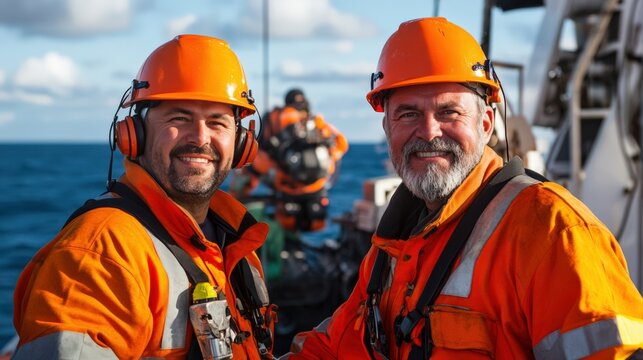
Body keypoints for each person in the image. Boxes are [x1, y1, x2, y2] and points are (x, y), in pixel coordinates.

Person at [283, 17, 643, 359]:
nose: (428, 132)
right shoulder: (390, 249)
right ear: (387, 129)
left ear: (486, 124)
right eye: (407, 114)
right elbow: (335, 348)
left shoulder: (553, 232)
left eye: (449, 113)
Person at [12, 35, 276, 359]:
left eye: (217, 122)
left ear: (241, 143)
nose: (200, 138)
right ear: (134, 134)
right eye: (179, 118)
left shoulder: (237, 248)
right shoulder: (103, 251)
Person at [230, 88, 348, 233]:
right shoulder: (317, 122)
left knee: (283, 226)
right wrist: (330, 161)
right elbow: (342, 144)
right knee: (314, 224)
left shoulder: (276, 117)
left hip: (286, 187)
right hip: (316, 188)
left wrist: (239, 193)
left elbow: (258, 156)